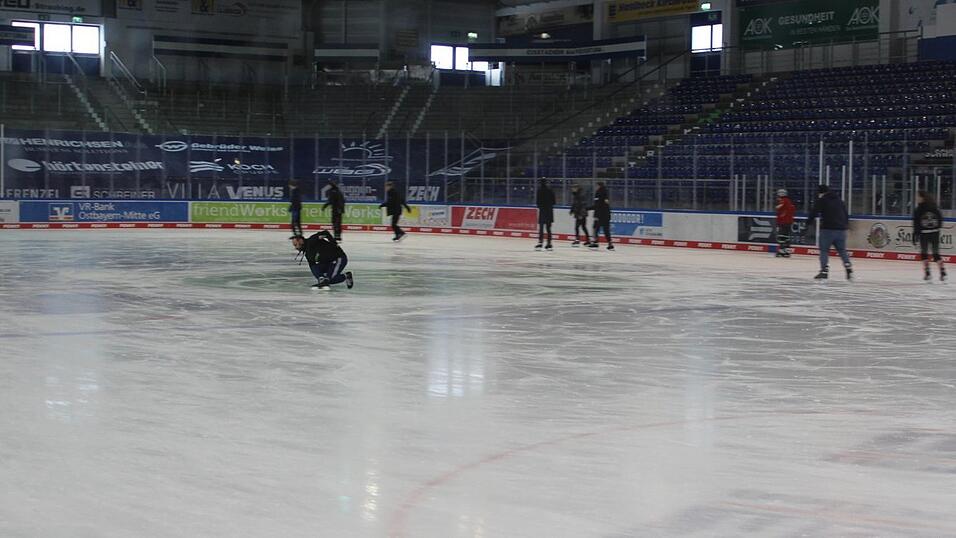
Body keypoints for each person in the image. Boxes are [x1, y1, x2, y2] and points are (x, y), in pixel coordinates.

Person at [807, 184, 852, 280]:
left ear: (820, 192)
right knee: (842, 250)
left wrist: (808, 223)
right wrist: (845, 225)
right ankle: (848, 266)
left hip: (828, 229)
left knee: (824, 250)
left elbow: (814, 212)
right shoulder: (840, 200)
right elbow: (845, 214)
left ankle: (824, 271)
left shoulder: (822, 200)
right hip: (841, 230)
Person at [912, 191, 947, 282]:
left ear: (922, 197)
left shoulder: (919, 209)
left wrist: (915, 234)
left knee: (924, 253)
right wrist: (937, 228)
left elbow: (916, 223)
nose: (917, 199)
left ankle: (927, 273)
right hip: (935, 233)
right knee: (936, 253)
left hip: (924, 233)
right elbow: (940, 219)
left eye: (918, 197)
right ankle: (942, 272)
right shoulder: (934, 207)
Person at [589, 181, 614, 250]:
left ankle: (595, 242)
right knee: (606, 230)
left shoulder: (599, 193)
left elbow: (597, 205)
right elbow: (605, 204)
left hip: (600, 215)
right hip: (606, 214)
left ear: (598, 186)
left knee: (595, 228)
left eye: (596, 186)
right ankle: (610, 244)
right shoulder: (606, 192)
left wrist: (587, 208)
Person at [535, 178, 555, 251]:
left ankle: (540, 242)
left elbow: (538, 202)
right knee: (548, 228)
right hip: (549, 211)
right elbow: (554, 201)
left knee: (541, 228)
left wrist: (541, 206)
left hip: (543, 210)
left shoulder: (539, 190)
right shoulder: (550, 190)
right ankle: (549, 243)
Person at [775, 188, 796, 258]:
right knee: (786, 237)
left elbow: (778, 207)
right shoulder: (789, 202)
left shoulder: (783, 201)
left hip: (783, 222)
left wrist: (778, 206)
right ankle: (787, 251)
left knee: (781, 236)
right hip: (788, 222)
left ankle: (781, 251)